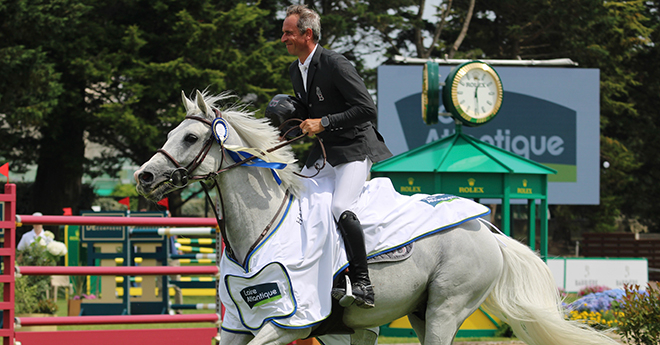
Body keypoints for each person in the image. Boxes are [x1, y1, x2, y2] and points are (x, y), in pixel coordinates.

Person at [281, 4, 392, 309]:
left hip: (355, 148)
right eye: (283, 33)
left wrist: (325, 122)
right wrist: (286, 126)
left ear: (307, 34)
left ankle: (362, 282)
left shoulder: (336, 64)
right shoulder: (296, 69)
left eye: (288, 33)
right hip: (326, 151)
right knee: (295, 202)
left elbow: (368, 110)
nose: (283, 39)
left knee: (340, 206)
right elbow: (307, 114)